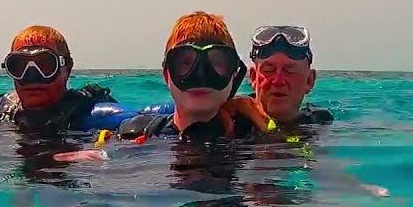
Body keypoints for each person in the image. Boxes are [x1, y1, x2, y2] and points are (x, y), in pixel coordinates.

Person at [113, 12, 274, 142]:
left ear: (234, 75)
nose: (201, 74)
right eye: (185, 62)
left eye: (216, 62)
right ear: (167, 75)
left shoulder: (257, 136)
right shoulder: (136, 134)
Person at [142, 24, 332, 133]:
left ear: (309, 81)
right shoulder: (232, 123)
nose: (278, 81)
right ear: (253, 78)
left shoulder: (320, 121)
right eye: (269, 70)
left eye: (289, 71)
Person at [0, 25, 137, 134]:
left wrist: (141, 126)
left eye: (45, 65)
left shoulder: (89, 115)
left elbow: (140, 118)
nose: (32, 77)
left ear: (67, 68)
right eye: (19, 66)